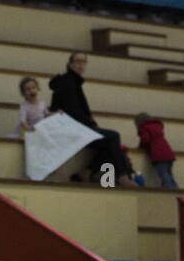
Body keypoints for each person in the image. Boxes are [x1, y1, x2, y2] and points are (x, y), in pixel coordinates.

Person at [48, 52, 138, 187]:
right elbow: (73, 112)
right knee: (113, 137)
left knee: (108, 141)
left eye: (84, 62)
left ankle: (86, 172)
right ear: (70, 64)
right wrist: (91, 126)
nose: (81, 65)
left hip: (77, 126)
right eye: (78, 61)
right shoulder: (68, 82)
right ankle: (122, 176)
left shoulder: (73, 82)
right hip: (74, 128)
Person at [134, 112, 177, 189]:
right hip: (168, 151)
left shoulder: (144, 128)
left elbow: (145, 140)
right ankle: (175, 188)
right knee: (169, 173)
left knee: (163, 173)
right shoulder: (157, 126)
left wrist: (140, 147)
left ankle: (169, 189)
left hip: (158, 153)